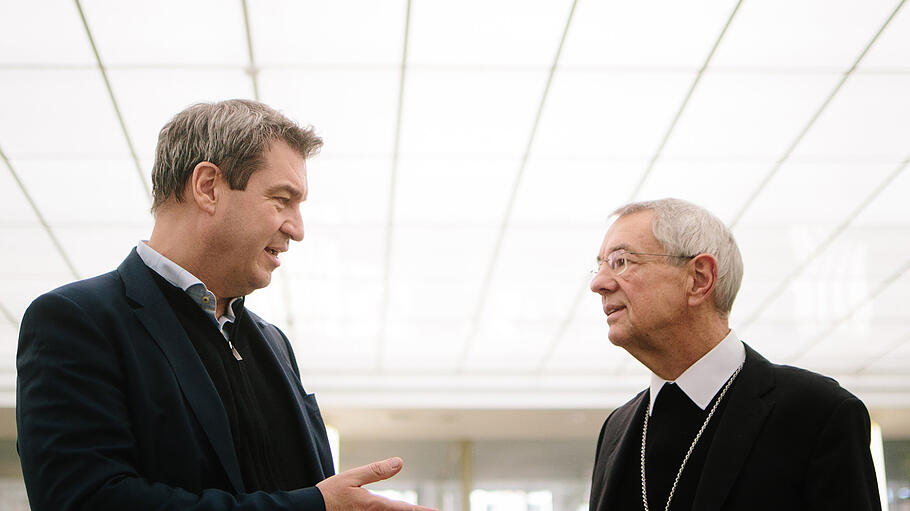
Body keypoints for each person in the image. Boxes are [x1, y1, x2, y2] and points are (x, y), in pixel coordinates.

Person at [17, 99, 434, 511]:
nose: (298, 229)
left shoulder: (274, 344)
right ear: (208, 187)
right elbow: (87, 500)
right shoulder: (77, 322)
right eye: (281, 199)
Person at [587, 198, 881, 511]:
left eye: (621, 262)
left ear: (699, 279)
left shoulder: (818, 413)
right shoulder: (616, 428)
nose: (598, 283)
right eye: (600, 265)